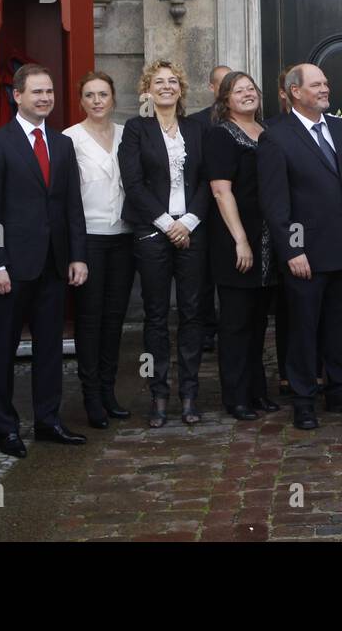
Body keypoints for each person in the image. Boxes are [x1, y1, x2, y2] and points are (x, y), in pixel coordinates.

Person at [258, 63, 342, 431]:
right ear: (295, 91)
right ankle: (303, 400)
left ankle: (341, 391)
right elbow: (276, 203)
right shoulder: (276, 136)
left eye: (326, 83)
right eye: (317, 84)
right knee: (303, 329)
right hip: (306, 256)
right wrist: (293, 251)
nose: (326, 89)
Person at [0, 64, 89, 458]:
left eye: (50, 92)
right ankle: (5, 427)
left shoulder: (62, 144)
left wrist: (77, 256)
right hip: (11, 267)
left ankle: (48, 421)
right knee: (3, 349)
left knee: (50, 349)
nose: (45, 98)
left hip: (54, 264)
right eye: (37, 92)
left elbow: (72, 205)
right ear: (17, 96)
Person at [119, 60, 211, 428]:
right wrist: (166, 223)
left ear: (181, 89)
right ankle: (158, 395)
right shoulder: (136, 129)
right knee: (156, 316)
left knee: (192, 314)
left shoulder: (196, 128)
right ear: (147, 89)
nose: (167, 87)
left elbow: (207, 180)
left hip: (192, 230)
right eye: (159, 82)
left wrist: (187, 221)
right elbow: (134, 182)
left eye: (173, 81)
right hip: (153, 232)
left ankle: (189, 394)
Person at [207, 71, 280, 420]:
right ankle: (235, 397)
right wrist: (240, 241)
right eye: (239, 90)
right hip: (237, 241)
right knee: (236, 324)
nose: (248, 94)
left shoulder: (268, 132)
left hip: (269, 242)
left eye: (252, 88)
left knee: (258, 323)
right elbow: (222, 191)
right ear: (225, 100)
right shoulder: (221, 136)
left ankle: (258, 392)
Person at [63, 72, 134, 429]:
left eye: (102, 94)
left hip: (123, 236)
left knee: (114, 318)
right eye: (89, 95)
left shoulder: (127, 134)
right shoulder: (69, 139)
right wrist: (74, 252)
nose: (96, 101)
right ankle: (90, 396)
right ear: (81, 101)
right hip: (88, 238)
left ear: (113, 97)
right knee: (90, 319)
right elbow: (66, 199)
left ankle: (109, 391)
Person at [191, 64, 232, 355]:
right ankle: (206, 329)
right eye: (222, 84)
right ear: (212, 88)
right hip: (205, 211)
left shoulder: (250, 120)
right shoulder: (195, 123)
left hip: (235, 210)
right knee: (203, 276)